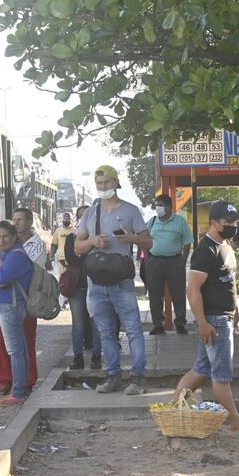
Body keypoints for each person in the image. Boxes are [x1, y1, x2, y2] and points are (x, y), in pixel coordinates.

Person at [172, 201, 239, 440]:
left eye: (234, 221)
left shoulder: (225, 245)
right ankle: (235, 424)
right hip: (215, 321)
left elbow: (228, 283)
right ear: (214, 222)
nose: (232, 226)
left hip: (224, 316)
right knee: (221, 376)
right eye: (227, 222)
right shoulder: (205, 250)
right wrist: (202, 322)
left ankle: (174, 411)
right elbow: (193, 290)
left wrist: (237, 309)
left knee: (202, 369)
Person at [75, 165, 152, 395]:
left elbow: (149, 243)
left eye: (107, 182)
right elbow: (78, 247)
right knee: (106, 332)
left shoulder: (131, 210)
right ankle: (113, 376)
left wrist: (132, 238)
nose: (103, 187)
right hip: (96, 284)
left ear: (116, 183)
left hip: (121, 282)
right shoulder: (90, 213)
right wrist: (92, 243)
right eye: (99, 183)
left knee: (133, 330)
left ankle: (138, 378)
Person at [0, 220, 34, 407]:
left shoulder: (16, 256)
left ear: (14, 237)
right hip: (5, 306)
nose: (1, 240)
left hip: (10, 307)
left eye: (5, 237)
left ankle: (18, 392)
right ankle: (21, 388)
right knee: (19, 349)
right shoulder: (6, 255)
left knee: (15, 351)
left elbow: (1, 276)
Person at [0, 208, 44, 393]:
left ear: (29, 221)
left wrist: (0, 274)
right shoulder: (5, 246)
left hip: (24, 301)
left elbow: (17, 273)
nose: (16, 223)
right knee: (0, 342)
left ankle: (25, 382)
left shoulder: (34, 245)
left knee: (23, 344)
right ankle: (5, 380)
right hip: (2, 303)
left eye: (20, 220)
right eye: (13, 219)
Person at [146, 194, 194, 335]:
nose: (158, 208)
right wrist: (147, 258)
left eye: (161, 205)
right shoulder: (153, 221)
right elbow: (144, 238)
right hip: (155, 261)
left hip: (174, 261)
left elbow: (187, 242)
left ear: (169, 207)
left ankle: (180, 323)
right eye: (157, 205)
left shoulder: (180, 221)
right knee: (155, 294)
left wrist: (182, 261)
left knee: (178, 294)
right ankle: (158, 325)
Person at [65, 205, 102, 370]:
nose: (83, 219)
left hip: (96, 285)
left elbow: (98, 259)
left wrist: (86, 252)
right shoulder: (70, 238)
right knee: (78, 323)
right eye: (80, 216)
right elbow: (72, 259)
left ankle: (96, 356)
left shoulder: (98, 239)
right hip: (77, 286)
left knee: (96, 322)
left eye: (87, 216)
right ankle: (77, 357)